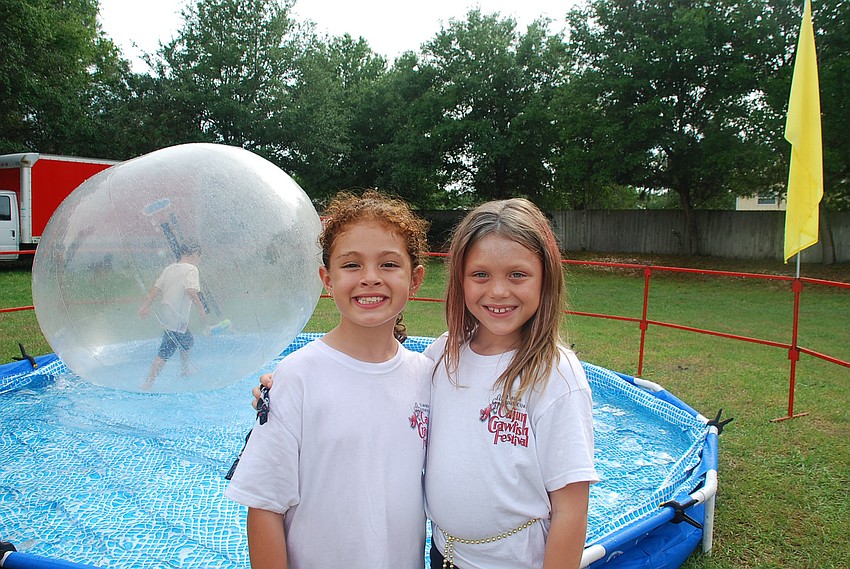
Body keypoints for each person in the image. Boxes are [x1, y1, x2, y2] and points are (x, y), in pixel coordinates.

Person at [225, 190, 432, 569]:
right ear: (327, 279)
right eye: (351, 265)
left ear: (415, 279)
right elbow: (265, 507)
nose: (370, 279)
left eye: (388, 264)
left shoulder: (427, 377)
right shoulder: (297, 377)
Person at [424, 198, 598, 569]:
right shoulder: (443, 353)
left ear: (545, 278)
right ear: (460, 279)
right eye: (481, 275)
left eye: (517, 275)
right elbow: (385, 391)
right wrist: (296, 384)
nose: (498, 291)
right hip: (444, 554)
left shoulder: (556, 374)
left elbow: (571, 508)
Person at [139, 243, 207, 389]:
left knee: (187, 340)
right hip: (177, 317)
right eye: (199, 257)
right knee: (166, 349)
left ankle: (184, 370)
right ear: (194, 254)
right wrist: (201, 308)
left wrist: (145, 305)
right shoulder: (191, 269)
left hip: (168, 314)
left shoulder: (169, 269)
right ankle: (148, 382)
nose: (199, 260)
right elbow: (190, 290)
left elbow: (155, 289)